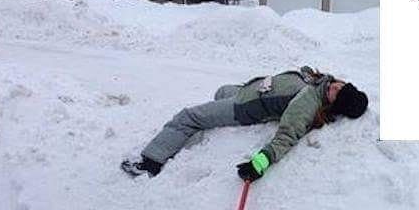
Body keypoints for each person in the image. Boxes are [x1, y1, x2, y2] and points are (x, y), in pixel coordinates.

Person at [121, 67, 368, 182]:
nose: (337, 86)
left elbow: (287, 136)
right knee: (220, 91)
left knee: (188, 116)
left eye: (339, 93)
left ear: (334, 105)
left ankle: (150, 163)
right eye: (342, 86)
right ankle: (193, 137)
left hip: (243, 108)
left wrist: (260, 163)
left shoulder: (308, 102)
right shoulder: (321, 84)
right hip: (245, 92)